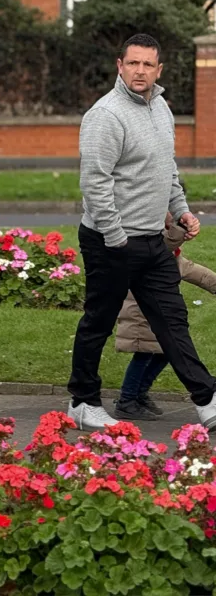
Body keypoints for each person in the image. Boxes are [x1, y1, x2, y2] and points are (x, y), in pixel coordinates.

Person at [68, 32, 216, 430]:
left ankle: (207, 401)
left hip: (152, 241)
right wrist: (116, 238)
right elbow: (94, 182)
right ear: (120, 65)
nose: (140, 70)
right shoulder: (106, 114)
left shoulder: (161, 108)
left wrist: (181, 211)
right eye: (133, 63)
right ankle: (83, 401)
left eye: (148, 64)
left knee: (172, 320)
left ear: (158, 70)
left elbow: (166, 168)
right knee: (98, 320)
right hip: (110, 241)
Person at [114, 200, 216, 421]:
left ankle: (139, 394)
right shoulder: (149, 240)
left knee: (166, 354)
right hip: (140, 312)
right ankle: (127, 399)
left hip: (155, 314)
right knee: (143, 355)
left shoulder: (168, 253)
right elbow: (165, 246)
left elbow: (192, 270)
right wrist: (179, 229)